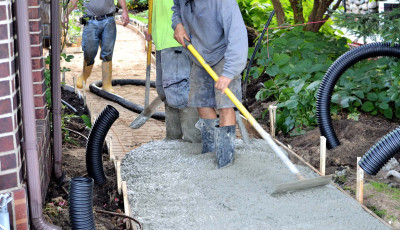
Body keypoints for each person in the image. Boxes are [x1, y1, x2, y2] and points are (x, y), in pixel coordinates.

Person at [172, 0, 248, 168]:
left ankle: (225, 160)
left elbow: (238, 38)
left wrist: (228, 73)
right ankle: (209, 154)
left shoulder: (223, 3)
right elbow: (177, 7)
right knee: (201, 103)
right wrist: (177, 24)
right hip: (199, 55)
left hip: (224, 55)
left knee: (225, 105)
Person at [144, 0, 201, 142]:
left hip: (177, 41)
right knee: (167, 92)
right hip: (163, 40)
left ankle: (192, 142)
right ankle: (173, 141)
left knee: (182, 93)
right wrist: (151, 26)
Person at [64, 0, 129, 93]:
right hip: (90, 21)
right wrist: (65, 14)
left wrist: (125, 11)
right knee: (89, 51)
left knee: (107, 52)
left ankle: (107, 84)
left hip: (109, 19)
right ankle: (84, 75)